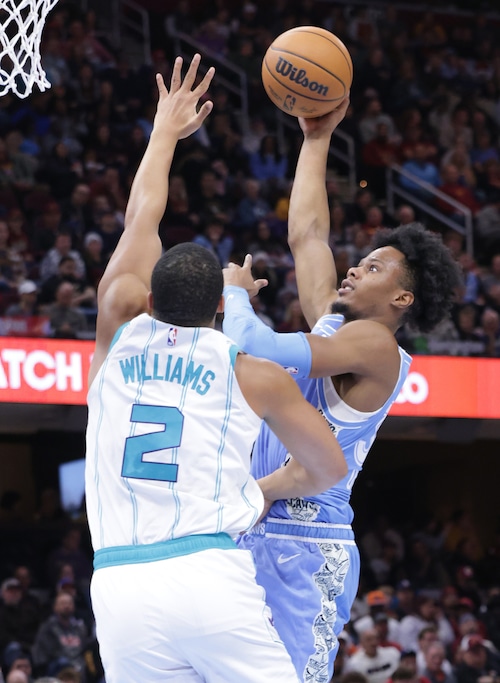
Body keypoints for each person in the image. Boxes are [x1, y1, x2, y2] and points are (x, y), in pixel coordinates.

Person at [84, 54, 347, 683]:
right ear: (220, 313)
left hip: (118, 583)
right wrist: (266, 490)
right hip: (206, 572)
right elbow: (329, 469)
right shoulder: (251, 373)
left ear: (148, 301)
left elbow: (141, 214)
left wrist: (164, 131)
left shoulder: (116, 332)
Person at [222, 98, 461, 682]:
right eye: (361, 261)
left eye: (374, 268)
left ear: (402, 299)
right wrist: (315, 138)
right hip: (249, 521)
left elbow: (264, 348)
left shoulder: (378, 348)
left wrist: (231, 295)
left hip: (305, 543)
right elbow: (307, 235)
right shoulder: (336, 320)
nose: (355, 268)